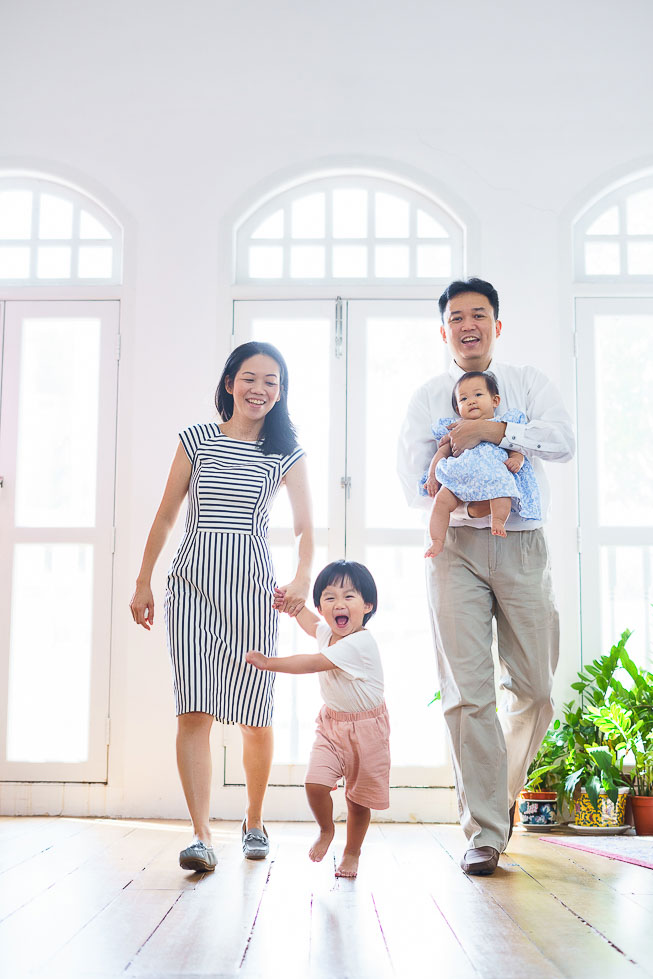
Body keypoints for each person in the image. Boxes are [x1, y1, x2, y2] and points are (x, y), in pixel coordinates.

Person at [398, 278, 574, 876]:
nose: (467, 324)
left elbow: (563, 442)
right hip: (455, 552)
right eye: (455, 317)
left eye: (479, 315)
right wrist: (473, 505)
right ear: (443, 330)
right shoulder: (428, 397)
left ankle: (493, 801)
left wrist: (492, 431)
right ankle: (485, 833)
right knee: (468, 693)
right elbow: (411, 484)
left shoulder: (526, 384)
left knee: (537, 691)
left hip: (522, 546)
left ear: (497, 325)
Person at [130, 341, 313, 871]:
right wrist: (143, 581)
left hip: (253, 589)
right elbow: (166, 516)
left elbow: (304, 527)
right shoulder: (196, 439)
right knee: (193, 708)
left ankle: (254, 820)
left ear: (280, 393)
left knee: (255, 713)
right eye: (250, 378)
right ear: (230, 382)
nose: (260, 389)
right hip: (190, 586)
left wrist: (302, 576)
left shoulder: (286, 452)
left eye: (272, 382)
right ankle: (201, 835)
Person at [246, 560, 390, 879]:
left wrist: (269, 663)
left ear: (368, 605)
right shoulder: (329, 632)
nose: (339, 604)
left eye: (349, 597)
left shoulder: (360, 642)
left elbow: (312, 663)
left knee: (357, 800)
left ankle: (352, 852)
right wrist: (291, 607)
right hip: (331, 726)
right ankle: (326, 830)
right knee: (314, 784)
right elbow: (312, 625)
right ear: (321, 605)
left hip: (368, 731)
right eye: (329, 597)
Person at [424, 370, 541, 557]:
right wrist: (431, 476)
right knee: (441, 501)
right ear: (457, 409)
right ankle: (437, 540)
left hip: (493, 475)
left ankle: (498, 521)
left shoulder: (502, 425)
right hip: (460, 477)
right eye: (463, 399)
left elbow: (517, 449)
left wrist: (516, 461)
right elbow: (441, 453)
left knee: (503, 490)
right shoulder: (454, 430)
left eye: (478, 395)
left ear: (495, 401)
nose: (471, 401)